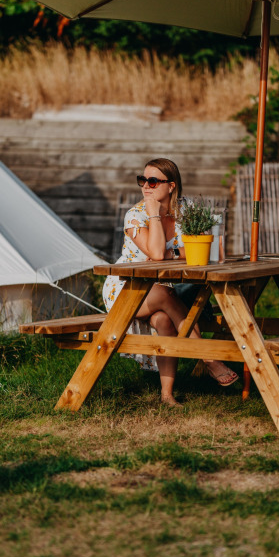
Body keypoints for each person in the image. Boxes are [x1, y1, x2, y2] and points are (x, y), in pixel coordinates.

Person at [102, 158, 238, 407]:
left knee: (164, 319)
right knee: (165, 295)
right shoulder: (135, 215)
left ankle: (166, 395)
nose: (146, 186)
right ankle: (209, 359)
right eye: (142, 180)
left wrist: (174, 253)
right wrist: (154, 215)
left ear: (171, 185)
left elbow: (200, 248)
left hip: (162, 288)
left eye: (153, 181)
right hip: (126, 288)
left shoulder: (186, 210)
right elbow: (155, 253)